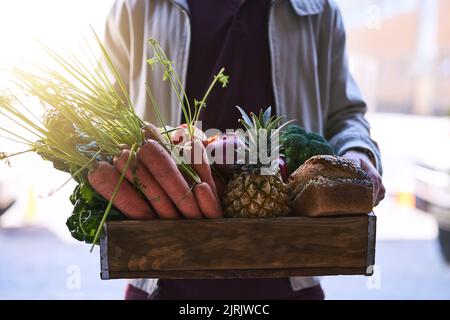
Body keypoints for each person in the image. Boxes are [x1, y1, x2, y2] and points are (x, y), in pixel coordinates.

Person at [100, 0, 385, 300]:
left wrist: (358, 151)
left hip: (292, 280)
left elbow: (345, 114)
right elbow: (106, 115)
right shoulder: (135, 7)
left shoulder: (317, 8)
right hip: (161, 281)